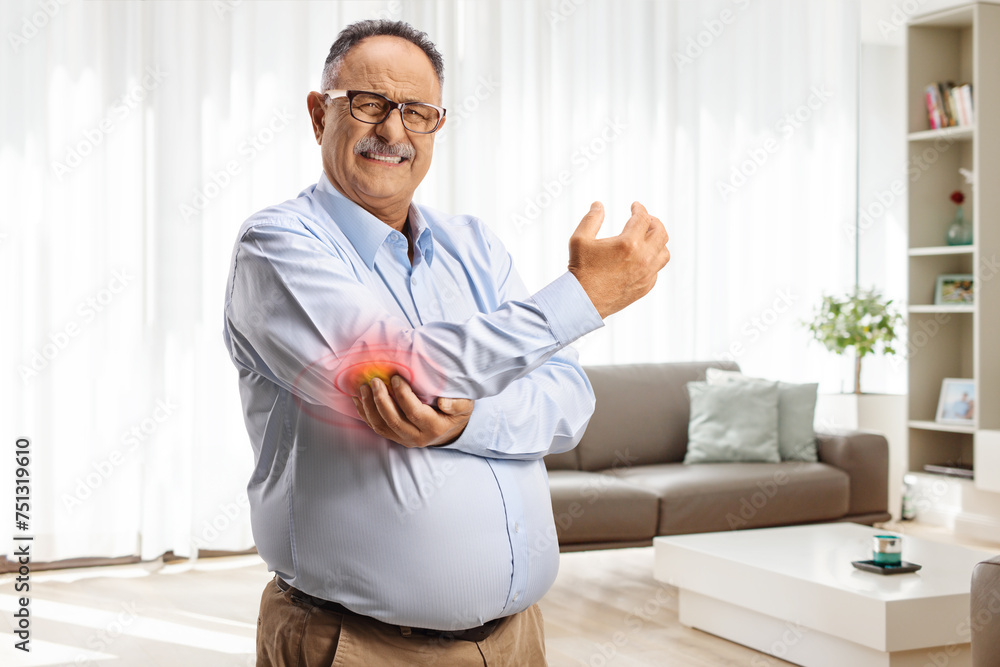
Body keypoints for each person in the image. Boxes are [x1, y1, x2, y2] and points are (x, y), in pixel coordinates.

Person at [222, 19, 670, 667]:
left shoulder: (476, 246)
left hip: (517, 640)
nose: (393, 132)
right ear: (320, 115)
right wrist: (582, 297)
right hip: (356, 645)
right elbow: (403, 374)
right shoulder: (276, 246)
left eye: (418, 112)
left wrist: (470, 418)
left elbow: (568, 401)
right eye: (370, 104)